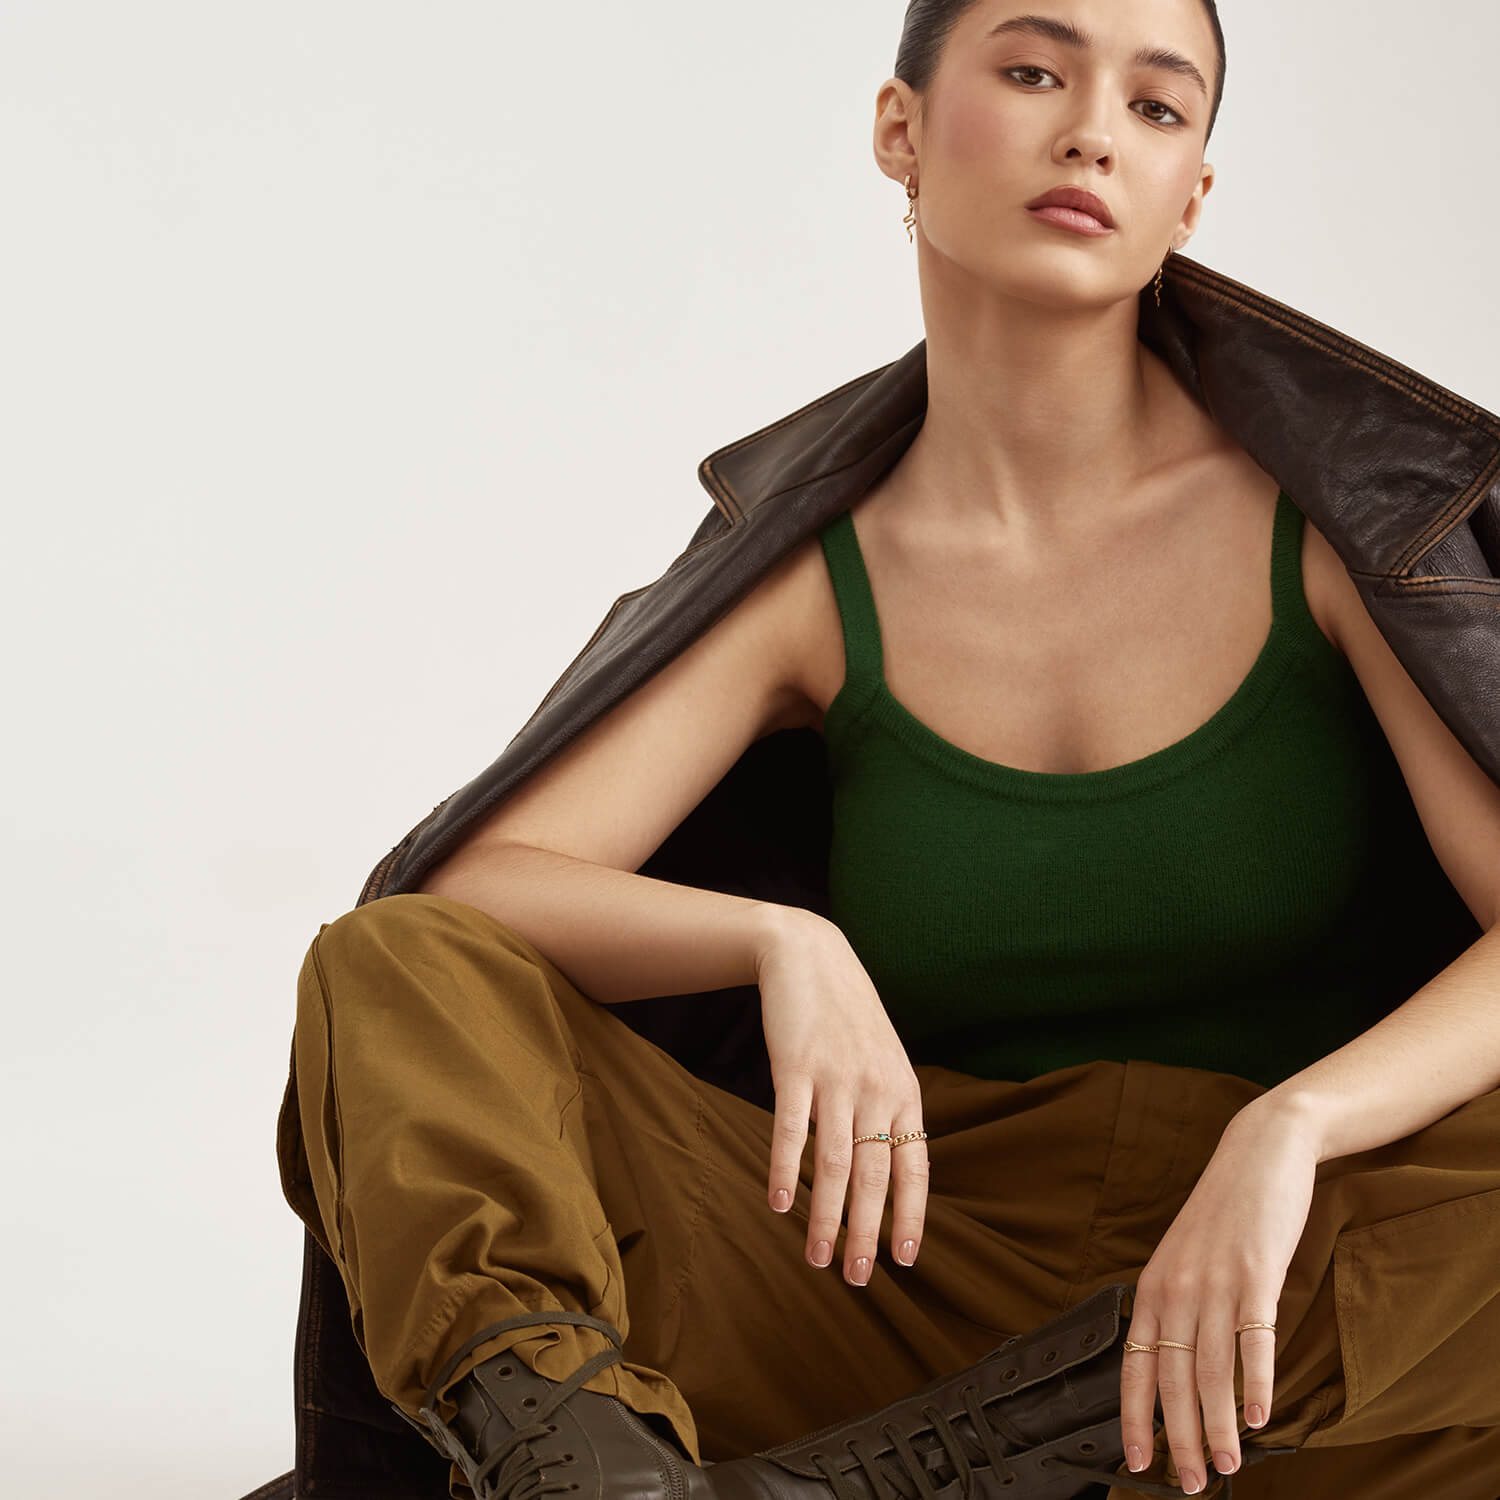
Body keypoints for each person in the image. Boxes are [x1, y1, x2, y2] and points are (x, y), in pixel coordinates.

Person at [277, 2, 1500, 1498]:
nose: (1091, 133)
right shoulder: (814, 576)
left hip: (1284, 1336)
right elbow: (474, 898)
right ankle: (586, 1472)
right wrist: (778, 942)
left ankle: (895, 1482)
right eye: (1035, 72)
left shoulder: (1336, 526)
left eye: (1156, 108)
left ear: (1191, 196)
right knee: (391, 968)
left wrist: (1294, 1127)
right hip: (897, 1270)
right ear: (899, 129)